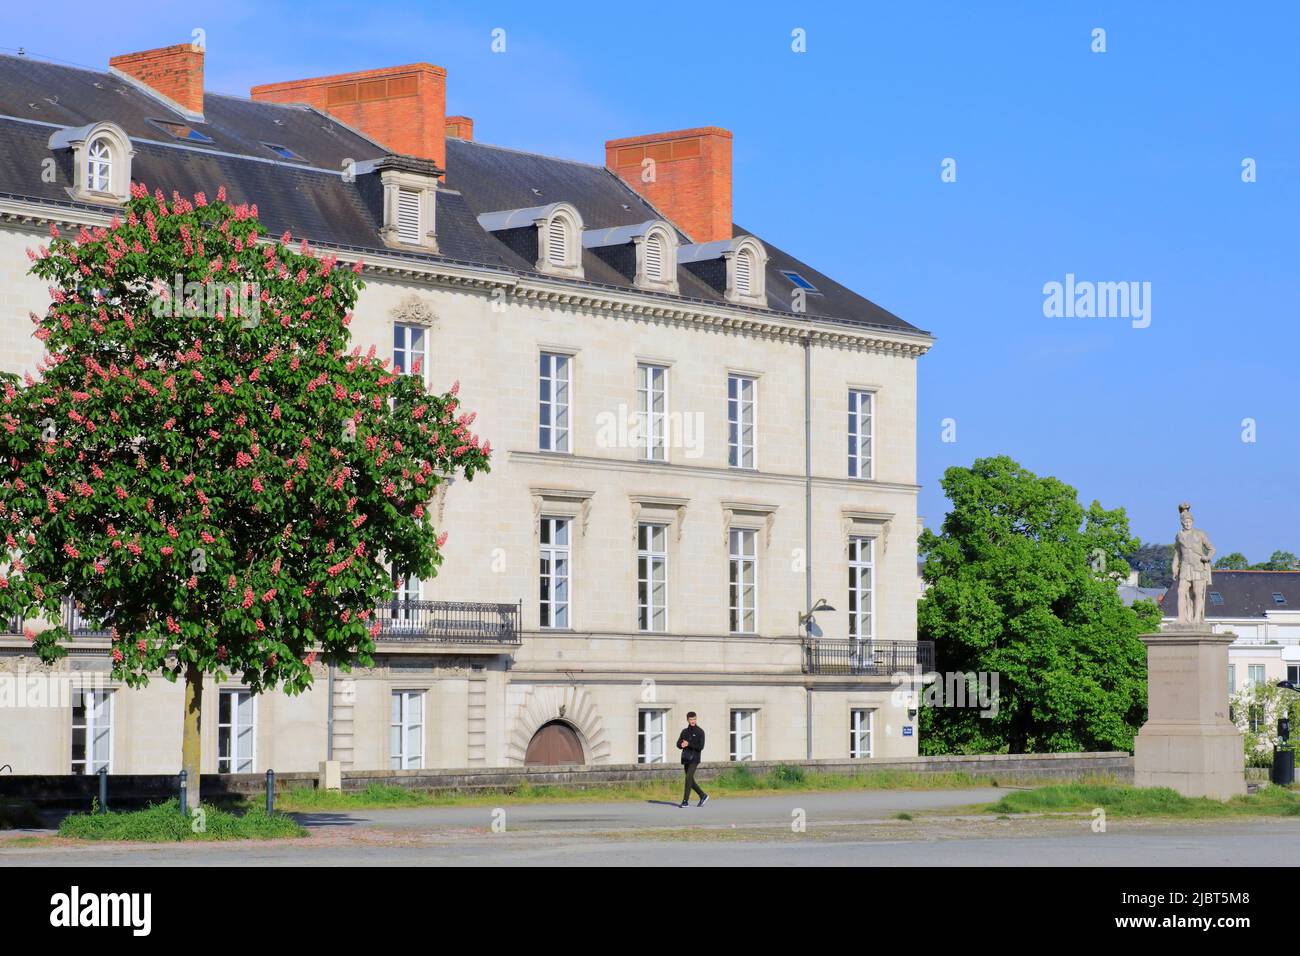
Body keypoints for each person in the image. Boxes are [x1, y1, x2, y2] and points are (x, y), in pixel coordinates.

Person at [677, 712, 708, 807]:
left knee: (688, 778)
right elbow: (678, 743)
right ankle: (703, 795)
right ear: (687, 720)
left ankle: (685, 801)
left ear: (696, 719)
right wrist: (681, 744)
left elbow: (700, 747)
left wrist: (688, 744)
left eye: (694, 719)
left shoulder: (700, 732)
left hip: (695, 758)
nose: (693, 721)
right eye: (691, 719)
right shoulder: (684, 731)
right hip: (686, 758)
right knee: (690, 780)